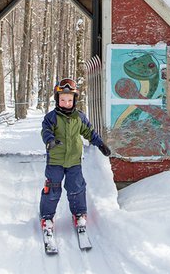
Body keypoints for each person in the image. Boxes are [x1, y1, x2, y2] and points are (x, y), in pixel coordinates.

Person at [39, 78, 111, 234]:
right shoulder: (51, 117)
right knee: (52, 189)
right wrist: (49, 140)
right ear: (57, 99)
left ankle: (79, 214)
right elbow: (46, 131)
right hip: (55, 161)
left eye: (70, 100)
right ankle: (47, 217)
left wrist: (100, 143)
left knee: (76, 188)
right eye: (63, 100)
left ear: (74, 100)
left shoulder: (79, 117)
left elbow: (89, 132)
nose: (66, 103)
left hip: (74, 161)